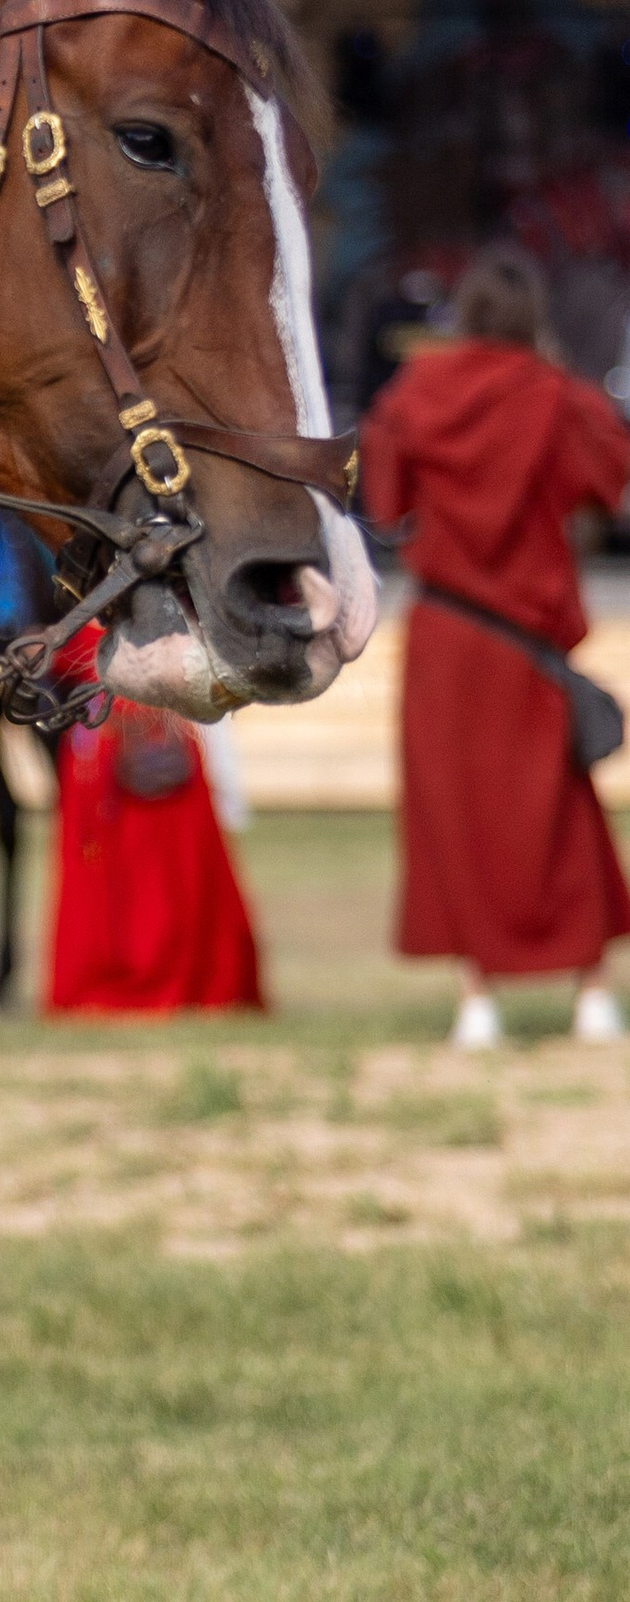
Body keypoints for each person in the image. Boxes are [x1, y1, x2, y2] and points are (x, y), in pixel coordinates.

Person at [361, 244, 630, 1048]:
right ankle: (590, 994)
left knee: (456, 815)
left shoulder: (415, 394)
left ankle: (477, 998)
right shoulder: (552, 395)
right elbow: (612, 477)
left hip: (448, 634)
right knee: (559, 809)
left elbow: (384, 501)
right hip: (527, 637)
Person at [43, 630, 265, 1016]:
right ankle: (119, 972)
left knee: (178, 864)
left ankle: (184, 973)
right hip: (110, 737)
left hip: (154, 727)